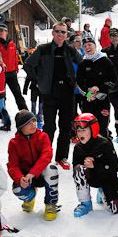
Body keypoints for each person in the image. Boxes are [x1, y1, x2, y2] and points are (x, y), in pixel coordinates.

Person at [23, 21, 83, 170]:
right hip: (49, 93)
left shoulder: (70, 50)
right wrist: (37, 81)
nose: (61, 35)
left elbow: (82, 64)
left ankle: (61, 157)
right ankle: (45, 156)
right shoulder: (44, 49)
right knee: (49, 127)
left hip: (68, 93)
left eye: (64, 32)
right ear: (53, 32)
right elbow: (27, 64)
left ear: (67, 34)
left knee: (65, 127)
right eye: (58, 31)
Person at [7, 110, 60, 221]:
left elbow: (47, 155)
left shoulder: (43, 136)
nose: (33, 124)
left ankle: (51, 204)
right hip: (26, 178)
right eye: (28, 123)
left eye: (34, 121)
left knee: (52, 169)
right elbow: (12, 165)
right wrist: (20, 178)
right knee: (17, 189)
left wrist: (33, 173)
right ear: (21, 127)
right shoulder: (14, 143)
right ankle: (30, 198)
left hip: (40, 174)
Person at [72, 113, 118, 217]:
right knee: (78, 169)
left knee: (117, 209)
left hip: (107, 177)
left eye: (84, 130)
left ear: (92, 130)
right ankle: (85, 203)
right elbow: (75, 169)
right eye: (78, 131)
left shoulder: (105, 143)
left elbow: (115, 167)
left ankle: (104, 192)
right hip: (91, 178)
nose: (80, 134)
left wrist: (95, 165)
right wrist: (86, 166)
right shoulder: (78, 148)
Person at [77, 38, 117, 138]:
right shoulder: (83, 63)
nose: (87, 47)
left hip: (103, 100)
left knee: (102, 128)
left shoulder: (105, 61)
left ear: (95, 46)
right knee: (88, 127)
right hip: (88, 100)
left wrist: (99, 88)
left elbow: (113, 81)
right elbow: (79, 83)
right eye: (85, 46)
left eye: (90, 45)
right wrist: (89, 93)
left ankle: (104, 150)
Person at [0, 23, 28, 111]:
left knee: (17, 93)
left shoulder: (12, 44)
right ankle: (2, 115)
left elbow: (15, 57)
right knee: (1, 96)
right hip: (0, 74)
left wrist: (16, 68)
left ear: (6, 32)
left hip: (12, 73)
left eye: (1, 31)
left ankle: (25, 111)